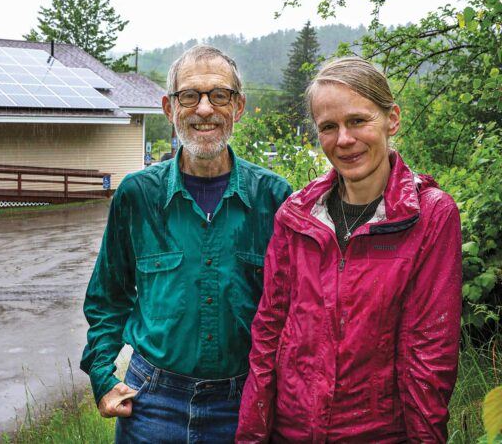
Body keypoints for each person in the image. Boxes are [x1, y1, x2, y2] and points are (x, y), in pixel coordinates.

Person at [237, 57, 462, 442]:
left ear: (392, 119)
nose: (344, 139)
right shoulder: (296, 216)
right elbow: (268, 335)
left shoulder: (431, 216)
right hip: (290, 431)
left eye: (357, 121)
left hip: (377, 434)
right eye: (329, 127)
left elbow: (430, 353)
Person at [81, 45, 292, 442]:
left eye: (220, 95)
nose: (205, 109)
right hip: (152, 402)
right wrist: (101, 375)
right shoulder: (137, 195)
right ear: (168, 107)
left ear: (239, 106)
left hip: (245, 401)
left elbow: (298, 313)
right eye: (190, 95)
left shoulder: (275, 199)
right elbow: (108, 297)